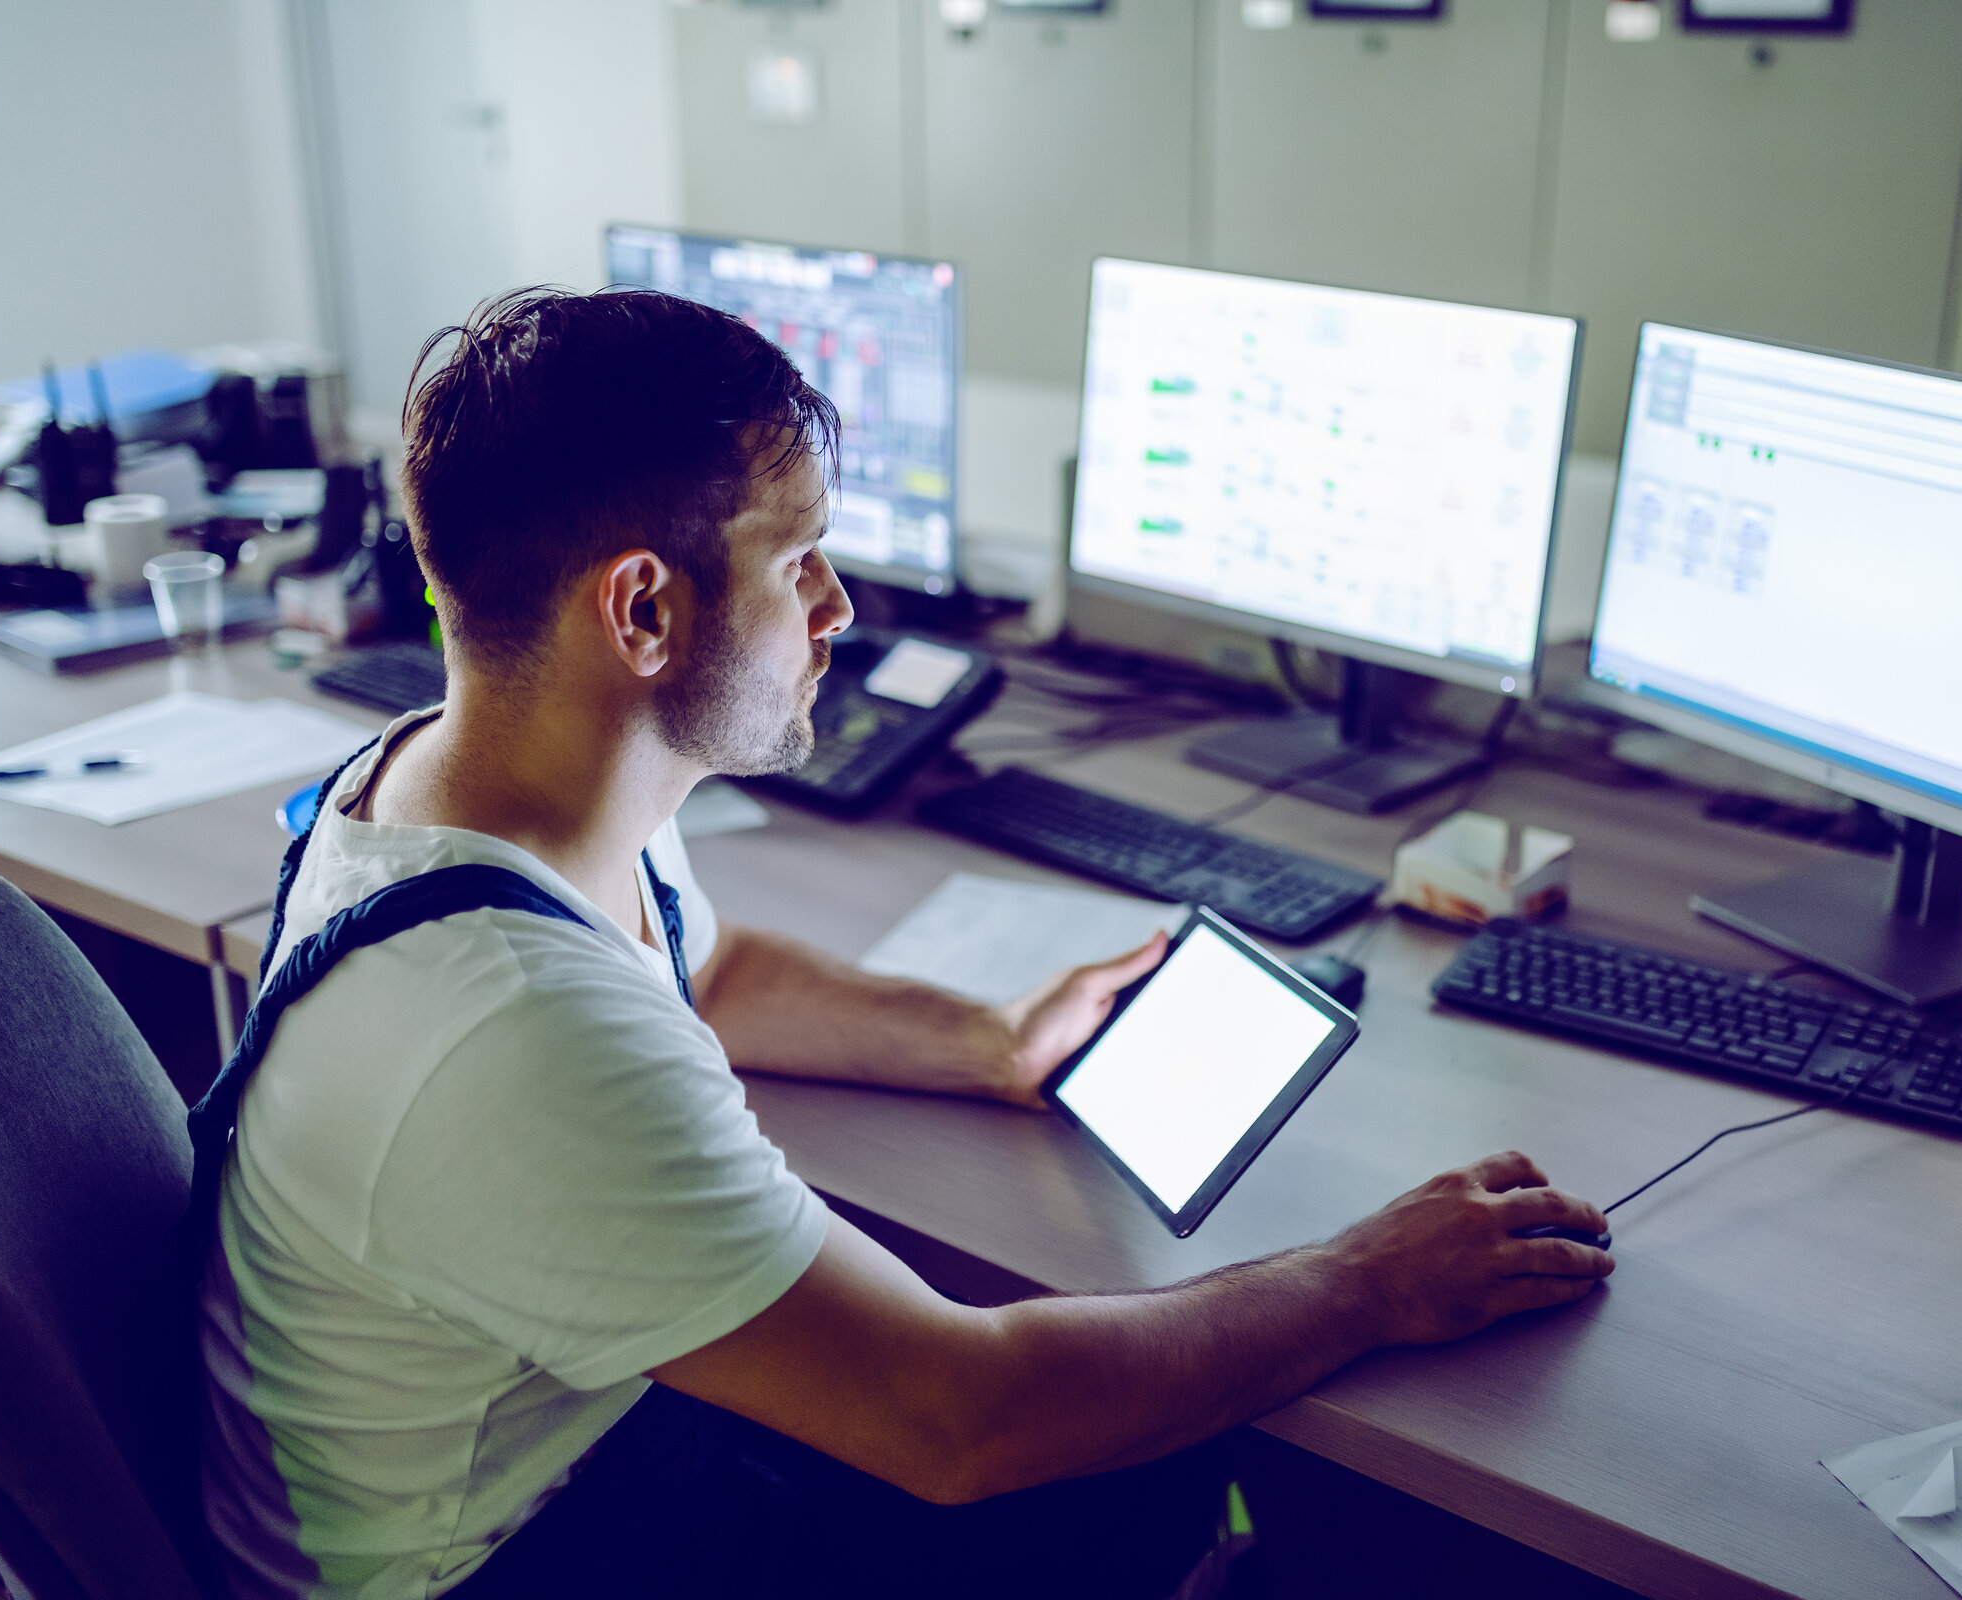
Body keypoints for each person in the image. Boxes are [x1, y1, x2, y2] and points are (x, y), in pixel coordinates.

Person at [197, 286, 1615, 1600]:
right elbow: (962, 1417)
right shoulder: (516, 1028)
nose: (840, 612)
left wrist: (988, 1041)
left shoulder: (463, 782)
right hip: (503, 1561)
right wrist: (1365, 1278)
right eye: (801, 558)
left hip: (533, 1455)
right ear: (642, 609)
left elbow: (705, 966)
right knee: (1206, 1450)